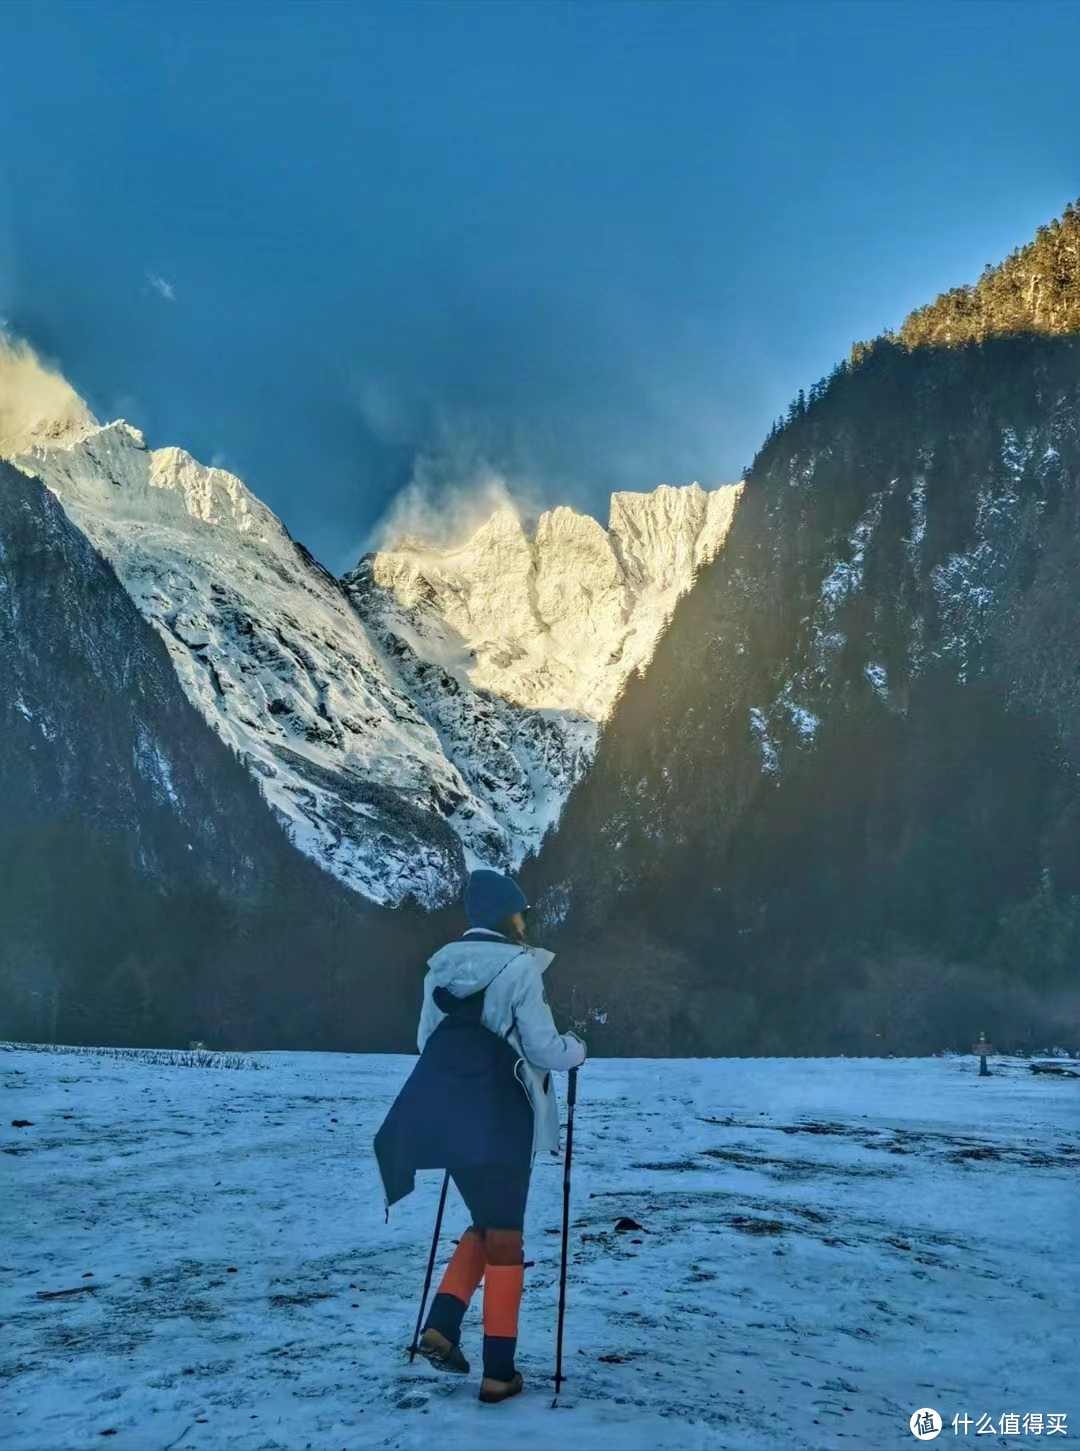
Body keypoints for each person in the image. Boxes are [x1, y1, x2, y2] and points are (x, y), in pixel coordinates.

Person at [374, 868, 586, 1404]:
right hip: (505, 1116)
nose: (524, 920)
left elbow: (428, 1042)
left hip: (455, 1116)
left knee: (486, 1223)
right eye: (519, 911)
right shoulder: (519, 968)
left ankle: (442, 1327)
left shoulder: (438, 970)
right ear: (504, 915)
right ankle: (499, 1372)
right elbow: (541, 1049)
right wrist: (576, 1048)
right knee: (507, 1234)